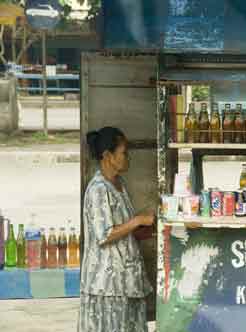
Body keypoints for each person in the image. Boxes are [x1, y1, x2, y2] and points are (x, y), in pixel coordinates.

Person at [79, 127, 154, 332]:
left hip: (126, 282)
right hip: (106, 285)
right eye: (123, 153)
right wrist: (138, 220)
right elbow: (104, 234)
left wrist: (142, 229)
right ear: (108, 156)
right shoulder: (98, 189)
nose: (127, 157)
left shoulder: (119, 184)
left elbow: (122, 227)